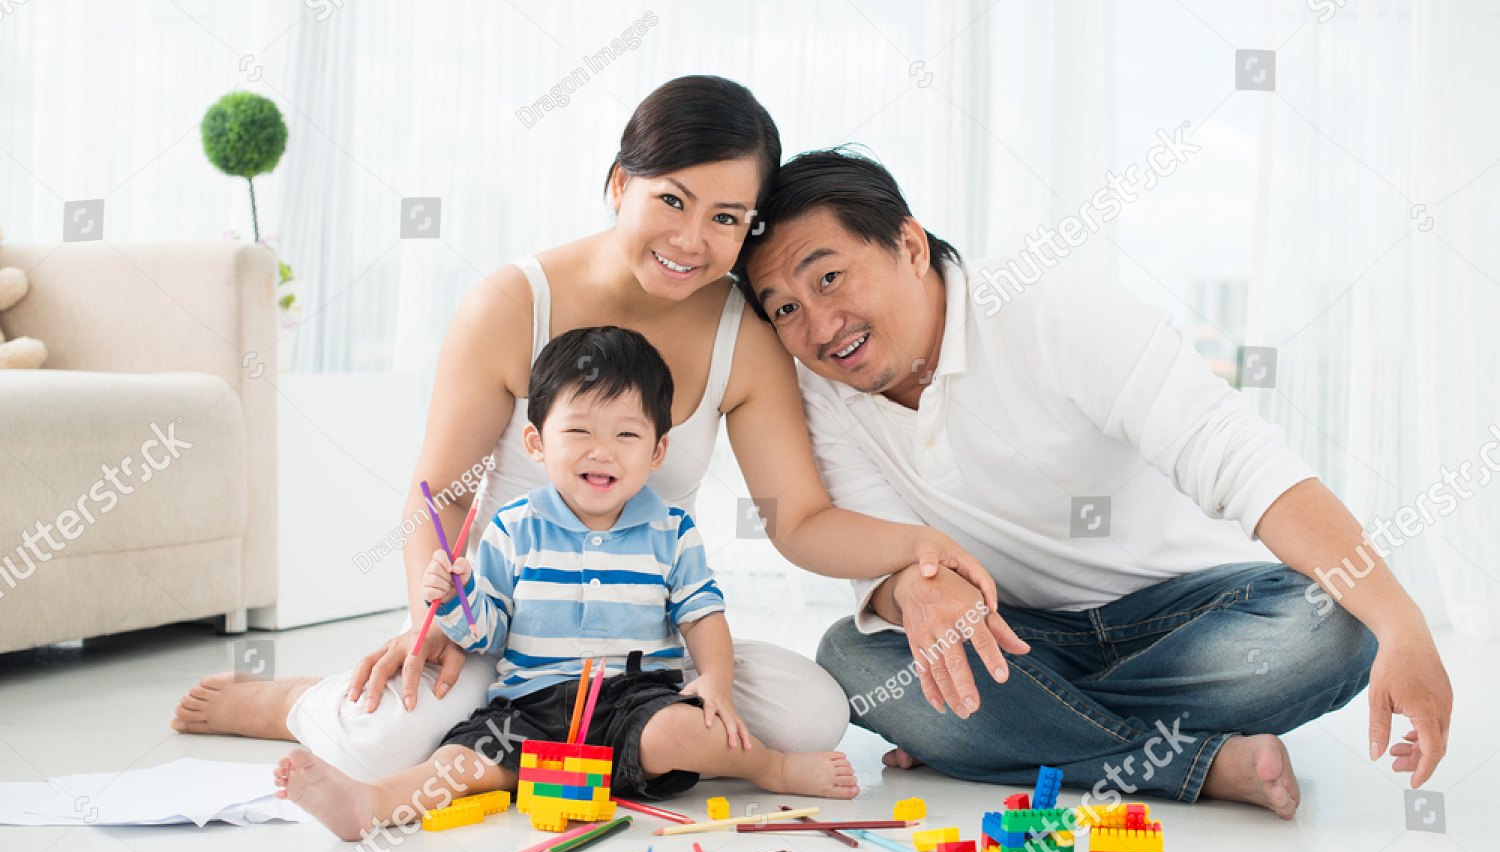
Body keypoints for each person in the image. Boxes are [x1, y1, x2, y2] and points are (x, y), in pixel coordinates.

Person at [175, 78, 995, 784]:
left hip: (644, 652)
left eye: (726, 218)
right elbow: (438, 498)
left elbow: (803, 520)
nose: (690, 240)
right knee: (375, 748)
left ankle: (560, 744)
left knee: (812, 714)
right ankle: (295, 702)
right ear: (618, 183)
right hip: (503, 633)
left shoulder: (745, 334)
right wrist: (437, 626)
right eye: (670, 199)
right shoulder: (511, 303)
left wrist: (919, 546)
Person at [736, 148, 1453, 819]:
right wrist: (912, 584)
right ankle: (1194, 764)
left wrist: (1400, 618)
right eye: (785, 308)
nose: (821, 326)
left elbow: (1238, 455)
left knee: (1334, 627)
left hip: (1185, 615)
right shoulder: (819, 391)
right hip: (1015, 636)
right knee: (855, 659)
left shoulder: (1050, 310)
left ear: (910, 244)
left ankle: (1010, 735)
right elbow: (886, 549)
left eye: (829, 277)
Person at [277, 326, 856, 841]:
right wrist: (457, 599)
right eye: (577, 430)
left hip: (634, 699)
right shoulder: (512, 528)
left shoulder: (671, 530)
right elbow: (489, 631)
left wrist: (718, 681)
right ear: (537, 444)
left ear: (657, 452)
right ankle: (369, 804)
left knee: (689, 729)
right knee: (457, 764)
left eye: (626, 436)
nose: (601, 451)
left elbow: (701, 615)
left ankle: (773, 769)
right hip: (530, 705)